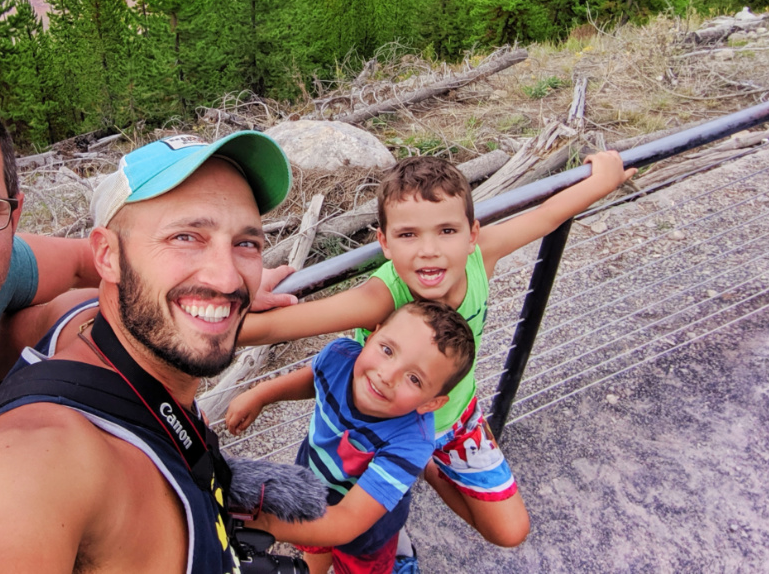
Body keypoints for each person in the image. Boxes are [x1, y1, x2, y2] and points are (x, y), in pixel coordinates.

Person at [0, 132, 294, 574]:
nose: (228, 278)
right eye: (185, 237)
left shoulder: (90, 328)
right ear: (106, 256)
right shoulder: (40, 458)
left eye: (246, 244)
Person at [238, 151, 636, 552]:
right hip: (388, 431)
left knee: (509, 532)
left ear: (472, 234)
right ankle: (418, 464)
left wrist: (602, 180)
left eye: (446, 230)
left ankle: (429, 466)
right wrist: (245, 289)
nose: (429, 250)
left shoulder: (479, 258)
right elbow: (273, 327)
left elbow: (548, 215)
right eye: (408, 234)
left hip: (456, 415)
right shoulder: (380, 298)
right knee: (338, 535)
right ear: (385, 242)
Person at [226, 299, 475, 574]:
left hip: (365, 534)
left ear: (431, 404)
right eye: (387, 350)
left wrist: (265, 521)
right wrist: (262, 395)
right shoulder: (340, 357)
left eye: (414, 378)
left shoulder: (411, 441)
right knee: (312, 552)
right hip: (312, 493)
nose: (387, 375)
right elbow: (315, 377)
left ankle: (401, 558)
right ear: (372, 334)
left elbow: (347, 523)